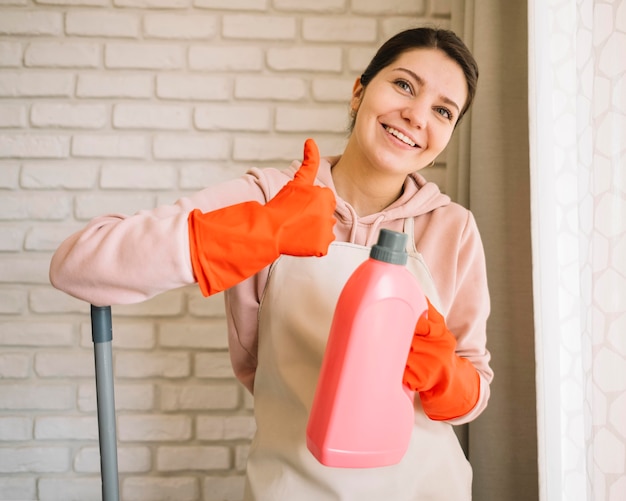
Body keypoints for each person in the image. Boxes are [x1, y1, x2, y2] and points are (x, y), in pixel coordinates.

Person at [50, 27, 493, 501]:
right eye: (404, 85)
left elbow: (474, 390)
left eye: (443, 110)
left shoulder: (453, 228)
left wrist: (446, 373)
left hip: (426, 488)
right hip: (292, 487)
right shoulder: (271, 198)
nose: (416, 115)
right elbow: (79, 262)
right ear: (359, 91)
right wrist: (258, 231)